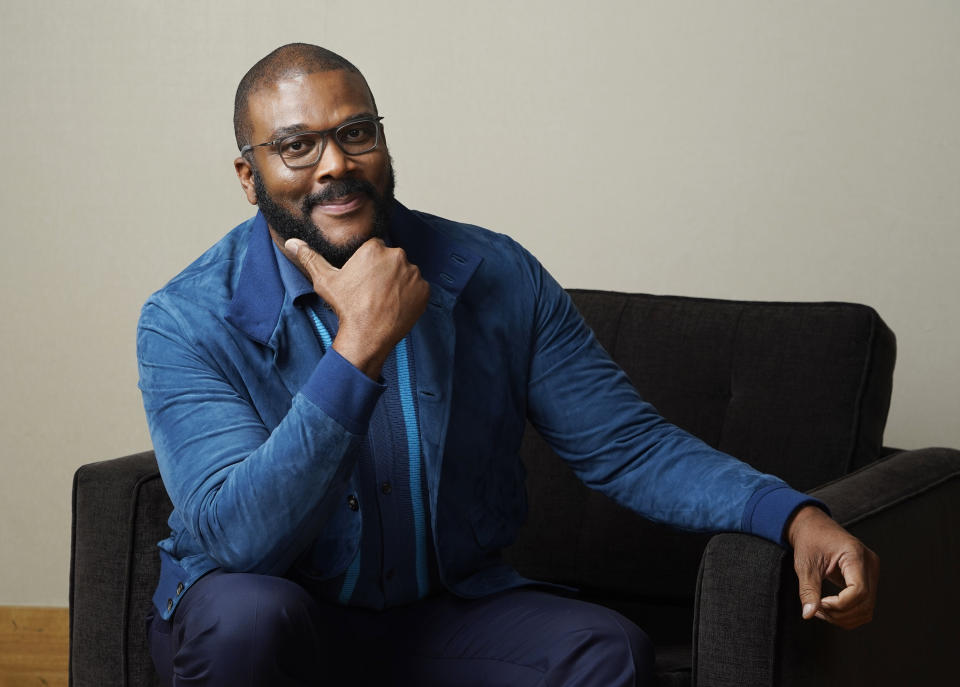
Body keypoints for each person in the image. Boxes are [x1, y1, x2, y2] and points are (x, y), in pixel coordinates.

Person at [138, 43, 879, 687]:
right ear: (248, 175)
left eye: (355, 132)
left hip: (434, 614)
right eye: (297, 145)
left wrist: (791, 513)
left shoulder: (494, 273)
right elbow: (237, 539)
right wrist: (358, 346)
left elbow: (629, 445)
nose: (335, 164)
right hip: (270, 619)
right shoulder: (185, 318)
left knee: (606, 650)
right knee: (249, 615)